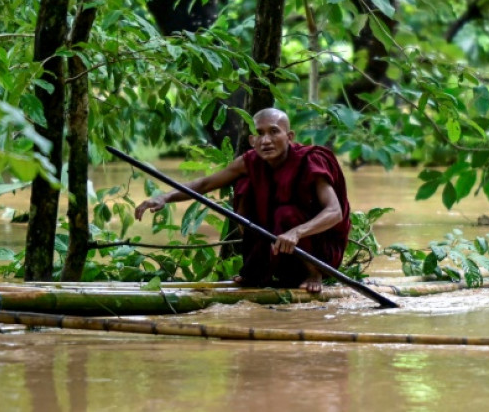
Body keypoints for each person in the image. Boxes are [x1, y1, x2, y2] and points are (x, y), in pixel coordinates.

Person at [134, 108, 351, 293]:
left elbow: (334, 212)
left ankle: (314, 275)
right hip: (276, 243)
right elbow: (205, 184)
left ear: (290, 136)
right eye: (259, 134)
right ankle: (256, 271)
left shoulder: (310, 160)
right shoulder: (249, 162)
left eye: (274, 132)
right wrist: (165, 197)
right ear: (252, 140)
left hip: (316, 250)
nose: (266, 140)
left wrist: (297, 232)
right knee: (245, 191)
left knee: (285, 214)